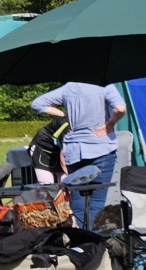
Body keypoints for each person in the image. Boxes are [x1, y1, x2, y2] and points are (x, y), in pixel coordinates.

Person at [29, 81, 126, 228]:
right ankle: (92, 238)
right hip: (102, 148)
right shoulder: (104, 85)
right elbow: (120, 108)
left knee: (78, 200)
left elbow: (37, 103)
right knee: (97, 202)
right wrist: (110, 123)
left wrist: (65, 115)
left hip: (74, 151)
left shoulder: (68, 88)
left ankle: (81, 237)